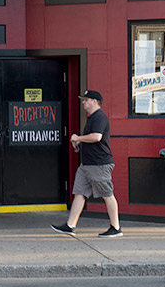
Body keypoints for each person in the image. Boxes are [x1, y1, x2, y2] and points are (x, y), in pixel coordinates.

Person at [52, 89, 123, 238]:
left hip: (99, 164)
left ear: (94, 101)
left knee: (107, 194)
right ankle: (70, 225)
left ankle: (115, 227)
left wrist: (78, 137)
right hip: (87, 165)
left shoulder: (100, 117)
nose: (83, 102)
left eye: (85, 100)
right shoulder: (92, 118)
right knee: (80, 193)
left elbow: (97, 137)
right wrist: (79, 143)